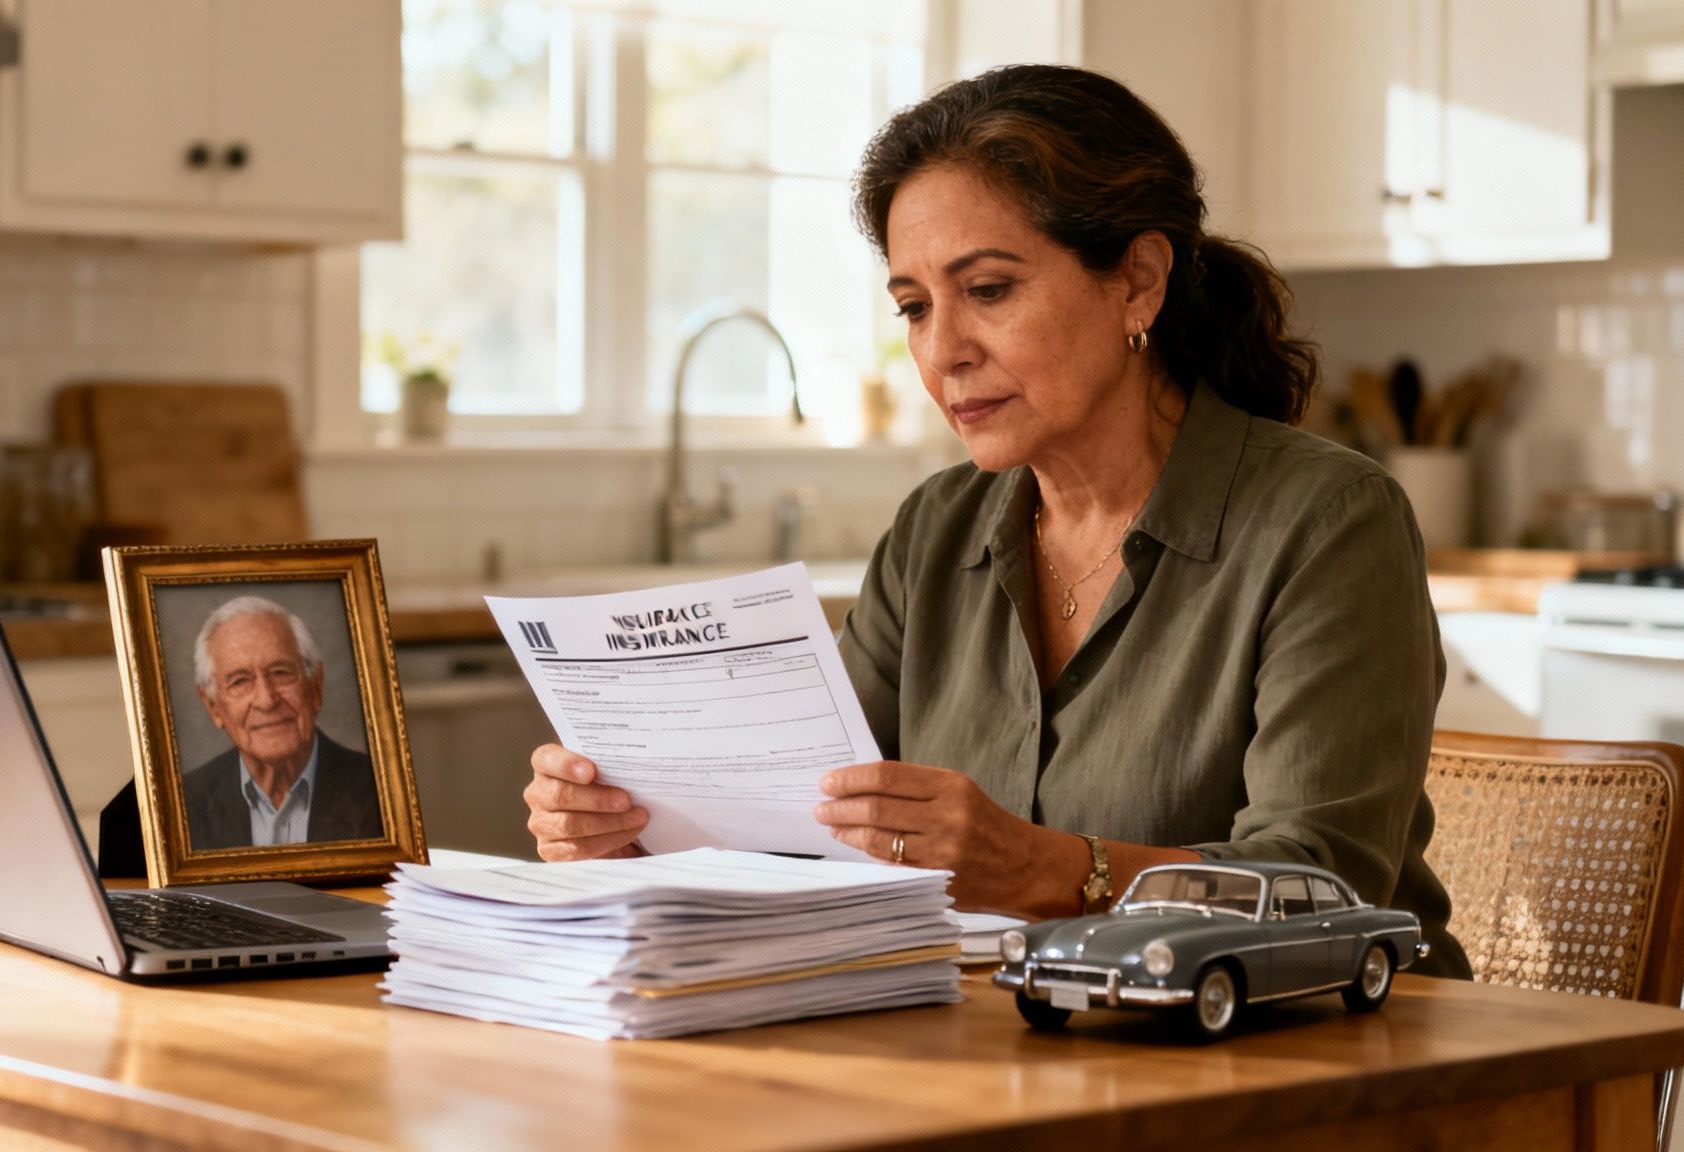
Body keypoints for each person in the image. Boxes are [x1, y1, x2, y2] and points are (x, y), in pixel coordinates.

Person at [523, 64, 1468, 977]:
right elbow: (806, 830)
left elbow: (1324, 890)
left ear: (1137, 280)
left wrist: (1044, 871)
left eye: (988, 291)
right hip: (1016, 1049)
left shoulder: (1330, 521)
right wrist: (641, 845)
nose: (942, 353)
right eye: (914, 306)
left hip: (1321, 1063)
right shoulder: (936, 528)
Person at [180, 596, 383, 849]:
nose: (266, 700)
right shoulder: (184, 804)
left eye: (280, 673)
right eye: (240, 681)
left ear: (315, 686)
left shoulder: (379, 790)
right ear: (213, 706)